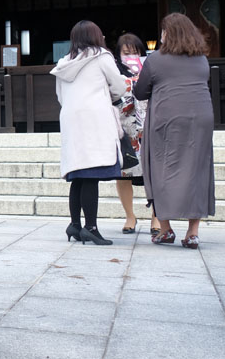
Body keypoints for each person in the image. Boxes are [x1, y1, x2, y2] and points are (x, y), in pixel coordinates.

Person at [133, 13, 215, 249]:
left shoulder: (156, 59)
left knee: (161, 167)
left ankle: (166, 228)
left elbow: (140, 92)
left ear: (167, 34)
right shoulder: (201, 59)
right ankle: (192, 232)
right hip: (201, 118)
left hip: (167, 119)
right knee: (197, 170)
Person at [51, 20, 126, 245]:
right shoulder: (102, 57)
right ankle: (91, 228)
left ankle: (74, 225)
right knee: (92, 174)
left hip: (71, 119)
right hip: (95, 119)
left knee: (78, 174)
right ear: (96, 36)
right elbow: (119, 86)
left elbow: (60, 96)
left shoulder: (64, 62)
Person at [113, 33, 159, 235]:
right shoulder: (113, 70)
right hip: (126, 128)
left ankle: (157, 217)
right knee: (124, 174)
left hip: (149, 125)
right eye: (126, 52)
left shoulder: (152, 66)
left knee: (156, 173)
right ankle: (130, 216)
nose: (131, 55)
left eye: (135, 52)